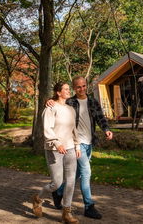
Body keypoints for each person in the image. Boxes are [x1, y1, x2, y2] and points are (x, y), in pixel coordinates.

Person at [47, 76, 113, 220]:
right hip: (76, 143)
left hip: (89, 143)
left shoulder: (92, 101)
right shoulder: (70, 102)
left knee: (77, 175)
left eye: (83, 86)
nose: (81, 89)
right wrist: (49, 101)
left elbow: (100, 117)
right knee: (86, 172)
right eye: (78, 87)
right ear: (74, 88)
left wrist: (106, 129)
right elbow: (57, 103)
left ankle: (59, 192)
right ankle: (89, 206)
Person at [33, 82, 81, 224]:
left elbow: (74, 129)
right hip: (54, 149)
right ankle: (38, 198)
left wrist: (77, 145)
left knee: (71, 181)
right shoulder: (50, 107)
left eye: (68, 89)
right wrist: (57, 142)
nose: (68, 91)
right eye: (65, 89)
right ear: (58, 92)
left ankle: (66, 213)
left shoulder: (71, 109)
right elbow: (47, 128)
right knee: (57, 183)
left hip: (70, 148)